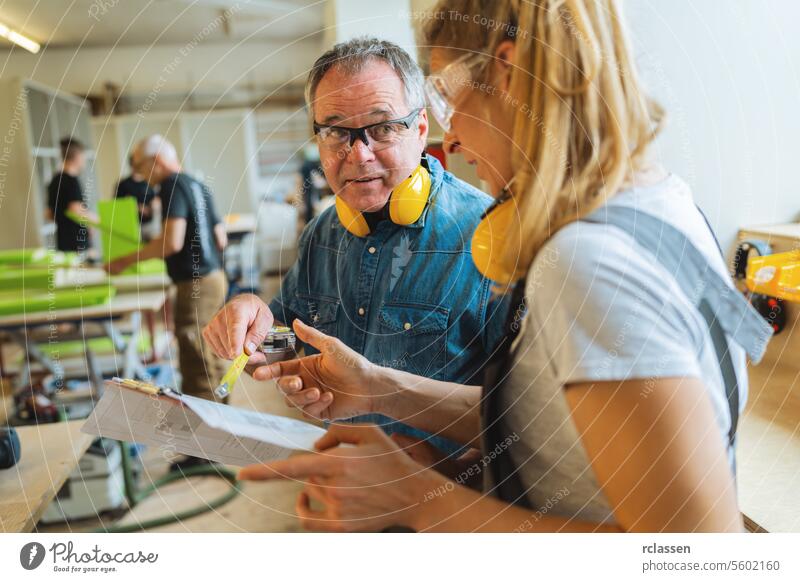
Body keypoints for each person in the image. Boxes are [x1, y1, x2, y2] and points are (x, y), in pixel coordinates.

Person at [230, 0, 773, 532]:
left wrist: (421, 502)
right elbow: (540, 429)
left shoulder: (588, 260)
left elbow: (700, 554)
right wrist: (378, 388)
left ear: (507, 73)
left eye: (447, 94)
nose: (454, 137)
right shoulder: (664, 203)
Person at [202, 38, 510, 455]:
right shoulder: (322, 234)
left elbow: (531, 423)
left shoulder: (492, 235)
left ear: (420, 130)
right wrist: (252, 335)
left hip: (451, 506)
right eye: (334, 132)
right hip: (344, 492)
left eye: (382, 128)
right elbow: (287, 342)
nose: (358, 154)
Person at [105, 134, 228, 407]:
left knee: (195, 357)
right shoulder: (198, 184)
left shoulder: (171, 185)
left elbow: (172, 242)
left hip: (195, 283)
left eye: (140, 167)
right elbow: (221, 238)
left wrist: (126, 260)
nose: (140, 176)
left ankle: (204, 439)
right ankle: (224, 421)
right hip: (215, 278)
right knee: (213, 352)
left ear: (156, 161)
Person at [46, 137, 96, 253]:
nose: (84, 160)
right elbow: (75, 210)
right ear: (77, 156)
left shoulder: (55, 180)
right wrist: (95, 220)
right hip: (77, 244)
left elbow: (49, 214)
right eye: (83, 156)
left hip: (63, 243)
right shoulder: (71, 181)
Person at [115, 154, 161, 240]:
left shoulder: (150, 181)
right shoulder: (123, 184)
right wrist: (136, 207)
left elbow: (157, 199)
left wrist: (154, 206)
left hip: (150, 225)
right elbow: (116, 206)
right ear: (131, 164)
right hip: (132, 226)